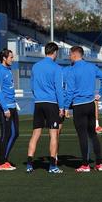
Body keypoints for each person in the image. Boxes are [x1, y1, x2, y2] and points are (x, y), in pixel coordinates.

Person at [65, 46, 102, 172]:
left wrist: (66, 107)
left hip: (78, 106)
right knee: (93, 134)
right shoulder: (91, 66)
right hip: (90, 105)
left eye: (70, 54)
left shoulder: (72, 70)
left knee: (82, 135)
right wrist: (100, 93)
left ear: (74, 55)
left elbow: (70, 91)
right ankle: (99, 164)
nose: (69, 57)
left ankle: (85, 165)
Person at [26, 42, 65, 174]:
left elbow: (32, 86)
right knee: (53, 134)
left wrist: (38, 96)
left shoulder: (36, 66)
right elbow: (59, 89)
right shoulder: (57, 68)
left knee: (35, 134)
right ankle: (52, 166)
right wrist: (62, 107)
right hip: (51, 103)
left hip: (38, 103)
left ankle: (29, 164)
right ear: (55, 52)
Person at [0, 49, 19, 171]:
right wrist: (5, 108)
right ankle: (1, 162)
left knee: (15, 133)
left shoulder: (8, 69)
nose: (12, 59)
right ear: (4, 58)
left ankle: (5, 159)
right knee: (6, 134)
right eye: (10, 57)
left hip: (13, 106)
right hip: (5, 108)